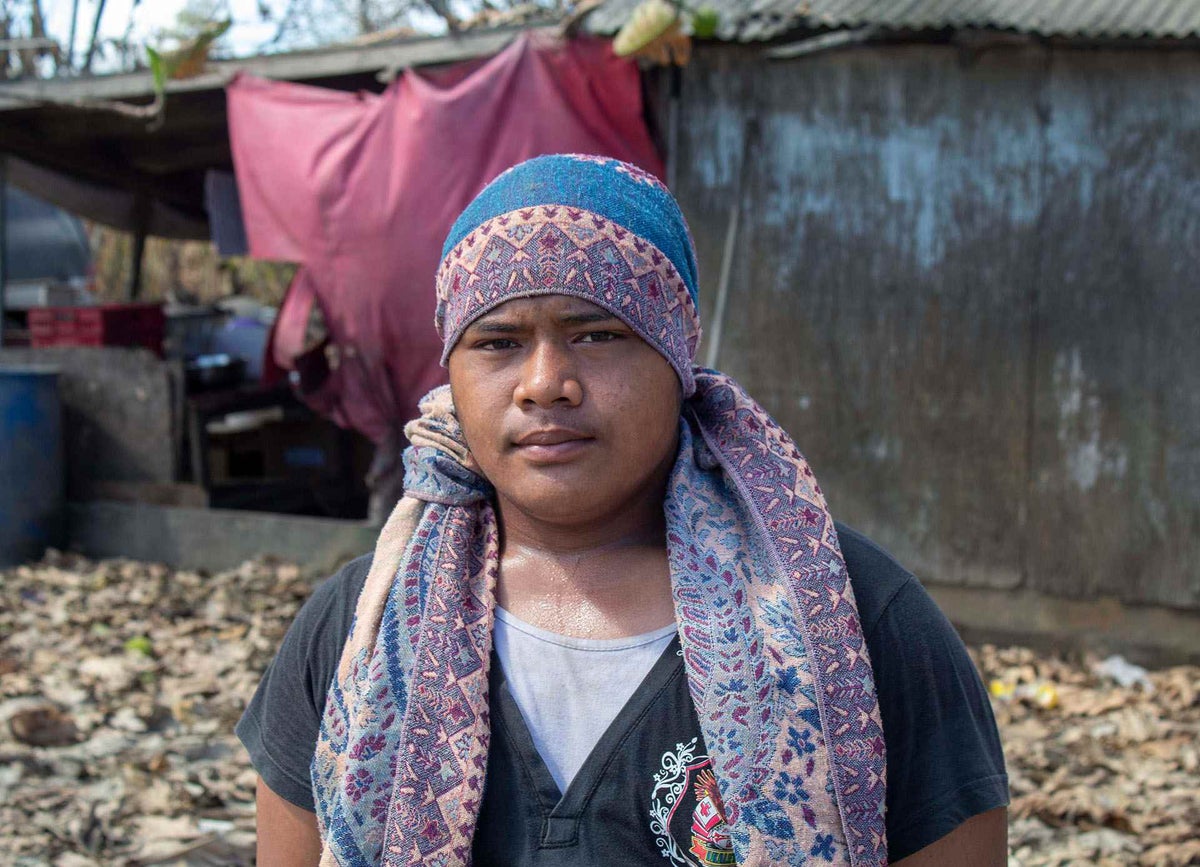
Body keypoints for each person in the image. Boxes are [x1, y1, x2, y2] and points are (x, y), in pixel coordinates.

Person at [237, 154, 1008, 867]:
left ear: (677, 358)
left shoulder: (853, 621)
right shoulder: (359, 630)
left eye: (598, 333)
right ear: (452, 377)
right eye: (498, 342)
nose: (545, 382)